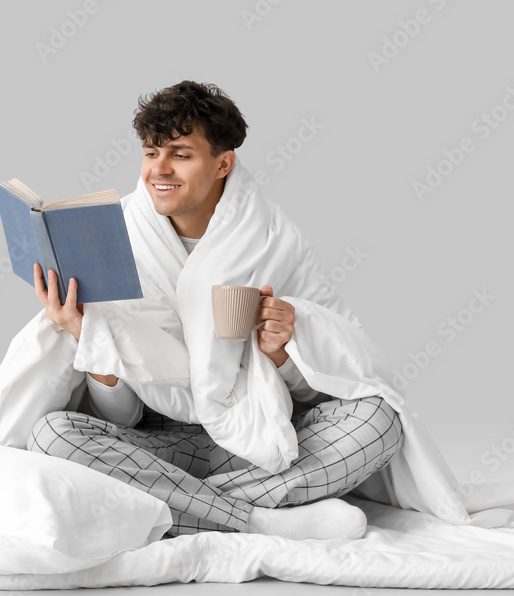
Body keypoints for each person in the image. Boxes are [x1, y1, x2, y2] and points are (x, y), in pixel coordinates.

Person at [27, 81, 404, 540]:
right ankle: (259, 519)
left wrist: (285, 353)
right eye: (151, 152)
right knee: (52, 436)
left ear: (223, 162)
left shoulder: (274, 239)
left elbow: (325, 388)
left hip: (259, 436)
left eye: (180, 154)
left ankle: (172, 505)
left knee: (380, 420)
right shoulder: (113, 239)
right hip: (158, 443)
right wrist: (89, 337)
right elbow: (119, 421)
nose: (158, 170)